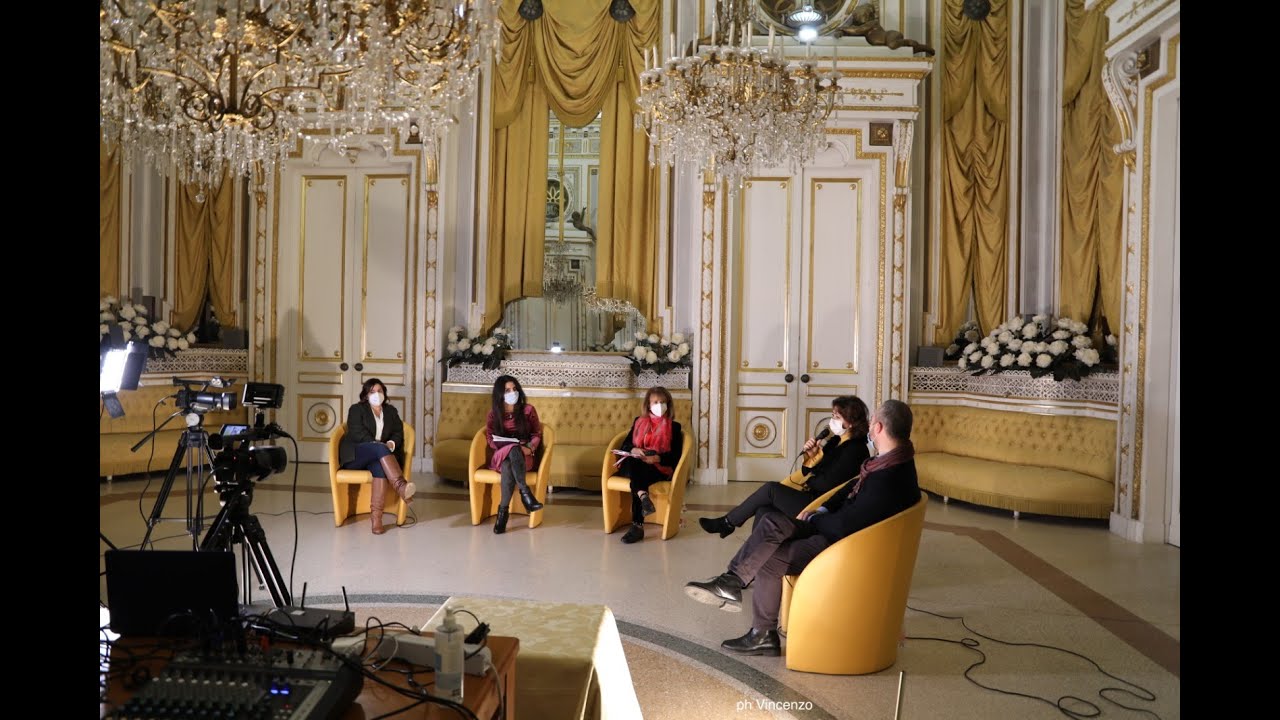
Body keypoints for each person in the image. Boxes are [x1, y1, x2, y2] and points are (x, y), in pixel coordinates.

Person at [684, 399, 921, 656]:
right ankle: (731, 581)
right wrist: (821, 509)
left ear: (878, 427)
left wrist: (815, 519)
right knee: (771, 521)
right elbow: (848, 488)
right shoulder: (891, 462)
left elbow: (847, 524)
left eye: (872, 421)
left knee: (770, 556)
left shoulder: (889, 477)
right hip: (835, 528)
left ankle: (760, 631)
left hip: (844, 545)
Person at [697, 395, 870, 538]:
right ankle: (752, 551)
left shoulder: (855, 450)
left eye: (837, 417)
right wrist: (812, 457)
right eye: (832, 415)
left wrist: (811, 478)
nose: (832, 421)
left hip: (821, 504)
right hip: (811, 494)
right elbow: (809, 471)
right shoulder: (835, 441)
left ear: (851, 422)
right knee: (764, 509)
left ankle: (727, 523)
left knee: (771, 489)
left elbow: (826, 483)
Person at [338, 378, 416, 535]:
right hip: (356, 455)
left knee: (380, 467)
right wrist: (378, 446)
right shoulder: (356, 409)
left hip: (380, 457)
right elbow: (357, 433)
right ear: (366, 395)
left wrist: (391, 444)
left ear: (384, 393)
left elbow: (398, 433)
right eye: (372, 391)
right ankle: (401, 487)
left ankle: (377, 520)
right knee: (379, 449)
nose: (376, 394)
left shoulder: (391, 411)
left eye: (379, 391)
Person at [613, 386, 685, 544]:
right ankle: (643, 498)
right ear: (648, 404)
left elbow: (675, 457)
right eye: (656, 402)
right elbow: (625, 446)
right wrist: (635, 449)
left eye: (663, 402)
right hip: (636, 464)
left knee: (638, 477)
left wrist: (657, 458)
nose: (660, 405)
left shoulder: (674, 427)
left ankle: (637, 524)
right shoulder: (638, 422)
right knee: (636, 463)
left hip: (657, 468)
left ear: (669, 405)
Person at [484, 375, 545, 534]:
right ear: (500, 394)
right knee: (511, 449)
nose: (513, 392)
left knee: (508, 464)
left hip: (524, 456)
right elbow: (489, 438)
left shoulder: (528, 410)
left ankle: (502, 514)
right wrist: (503, 445)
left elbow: (536, 434)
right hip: (501, 454)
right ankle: (526, 495)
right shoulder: (493, 414)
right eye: (507, 390)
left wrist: (530, 447)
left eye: (514, 389)